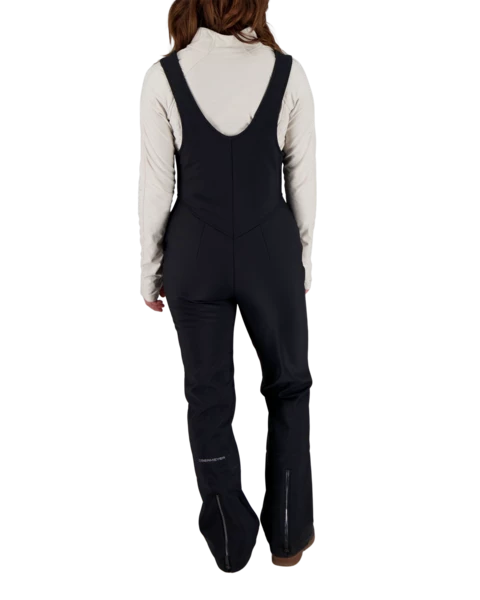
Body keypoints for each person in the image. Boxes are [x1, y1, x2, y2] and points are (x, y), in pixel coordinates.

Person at [138, 0, 318, 572]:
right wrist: (300, 267)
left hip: (195, 253)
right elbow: (304, 181)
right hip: (271, 250)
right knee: (289, 387)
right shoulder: (286, 72)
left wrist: (149, 273)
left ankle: (232, 547)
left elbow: (155, 188)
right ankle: (288, 538)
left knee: (209, 399)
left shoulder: (164, 77)